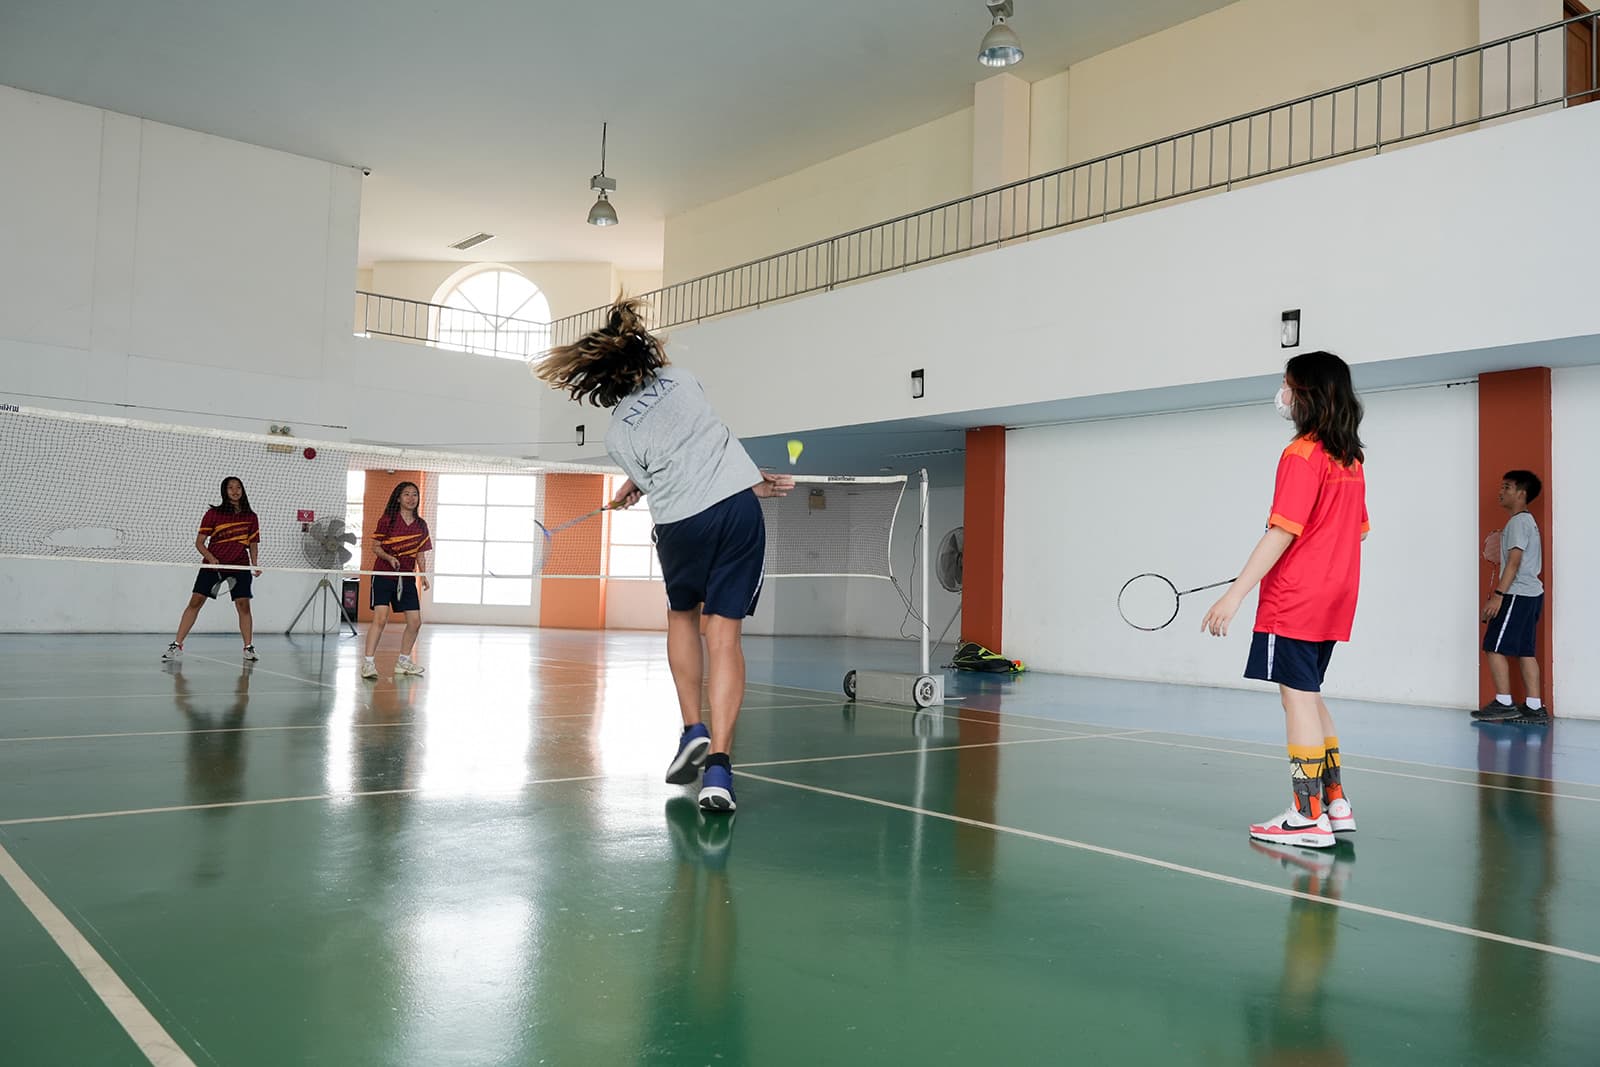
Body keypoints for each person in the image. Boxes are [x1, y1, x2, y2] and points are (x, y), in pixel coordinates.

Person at [534, 297, 793, 813]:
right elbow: (705, 436)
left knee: (682, 616)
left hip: (682, 525)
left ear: (601, 381)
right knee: (724, 637)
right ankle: (719, 768)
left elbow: (660, 477)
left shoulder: (618, 434)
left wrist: (637, 484)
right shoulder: (681, 378)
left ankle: (690, 727)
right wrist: (744, 484)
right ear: (642, 351)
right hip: (737, 511)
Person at [1202, 351, 1368, 849]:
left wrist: (1234, 595)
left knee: (1295, 699)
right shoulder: (1351, 459)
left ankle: (1305, 816)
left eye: (1287, 384)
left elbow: (1282, 532)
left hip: (1295, 600)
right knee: (1311, 694)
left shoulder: (1302, 453)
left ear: (1306, 393)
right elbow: (1355, 533)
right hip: (1337, 595)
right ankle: (1335, 803)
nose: (1283, 393)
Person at [1473, 470, 1547, 725]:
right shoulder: (1527, 522)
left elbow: (1513, 563)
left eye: (1507, 487)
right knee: (1526, 651)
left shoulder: (1517, 522)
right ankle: (1535, 708)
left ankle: (1504, 703)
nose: (1501, 491)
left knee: (1493, 645)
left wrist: (1497, 597)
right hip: (1533, 594)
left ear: (1521, 494)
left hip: (1517, 593)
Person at [162, 477, 262, 662]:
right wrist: (211, 559)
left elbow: (253, 544)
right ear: (224, 491)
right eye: (230, 487)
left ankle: (248, 647)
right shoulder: (213, 514)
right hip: (214, 564)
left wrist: (254, 564)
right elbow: (199, 543)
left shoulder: (251, 517)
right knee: (195, 602)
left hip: (239, 565)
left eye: (238, 487)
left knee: (243, 606)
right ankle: (177, 644)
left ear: (243, 490)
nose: (235, 491)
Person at [361, 481, 431, 679]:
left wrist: (423, 576)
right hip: (383, 575)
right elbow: (376, 546)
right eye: (407, 494)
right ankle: (368, 664)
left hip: (407, 578)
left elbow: (420, 554)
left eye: (414, 494)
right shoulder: (388, 520)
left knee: (415, 622)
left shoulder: (421, 525)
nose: (411, 498)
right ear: (398, 498)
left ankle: (404, 661)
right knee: (381, 619)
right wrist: (390, 558)